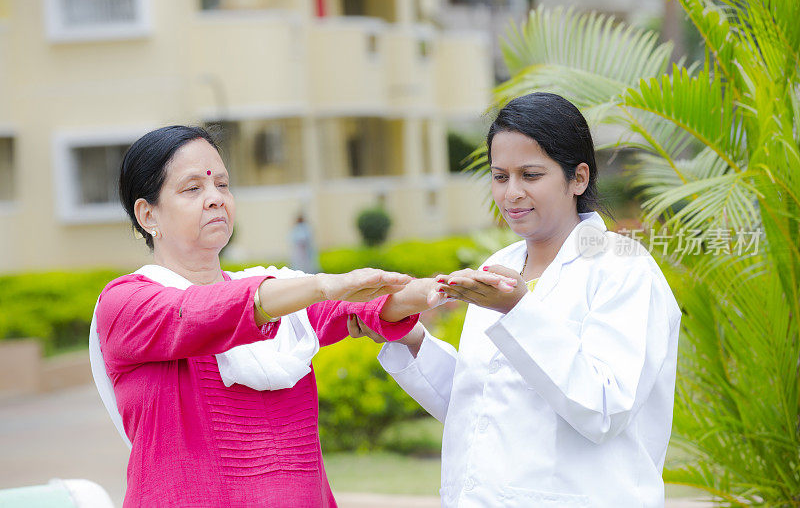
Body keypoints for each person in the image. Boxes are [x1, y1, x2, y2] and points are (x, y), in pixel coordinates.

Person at [88, 126, 514, 507]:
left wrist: (433, 290)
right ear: (148, 215)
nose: (216, 197)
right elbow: (198, 314)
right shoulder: (127, 303)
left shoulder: (278, 295)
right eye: (193, 188)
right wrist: (323, 284)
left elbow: (359, 310)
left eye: (222, 183)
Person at [354, 93, 682, 507]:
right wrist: (411, 339)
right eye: (500, 176)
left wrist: (517, 311)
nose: (511, 193)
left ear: (578, 178)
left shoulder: (623, 268)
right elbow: (481, 400)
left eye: (530, 175)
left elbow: (604, 409)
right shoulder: (500, 264)